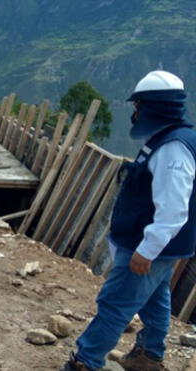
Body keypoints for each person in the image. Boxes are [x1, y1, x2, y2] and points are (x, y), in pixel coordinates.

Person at [62, 70, 196, 371]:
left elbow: (173, 209)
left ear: (152, 106)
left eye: (138, 107)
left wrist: (147, 250)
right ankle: (148, 357)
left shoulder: (173, 149)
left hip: (148, 248)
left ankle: (85, 361)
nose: (135, 113)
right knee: (155, 299)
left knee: (114, 304)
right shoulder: (170, 139)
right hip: (161, 249)